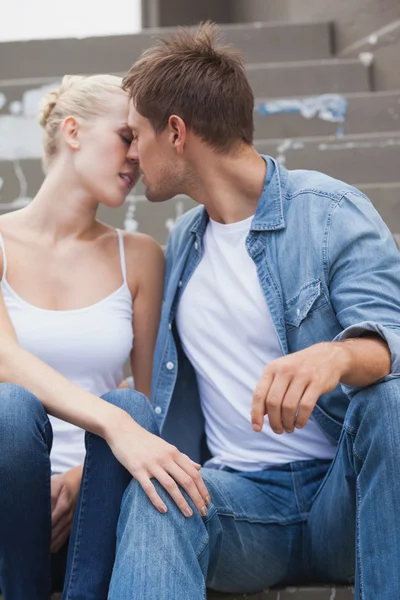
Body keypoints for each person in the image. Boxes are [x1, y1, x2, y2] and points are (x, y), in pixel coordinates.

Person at [103, 22, 400, 600]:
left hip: (347, 496)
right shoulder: (183, 242)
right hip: (241, 506)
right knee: (158, 491)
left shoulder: (330, 213)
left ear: (177, 132)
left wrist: (335, 355)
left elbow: (395, 336)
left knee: (394, 400)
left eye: (136, 135)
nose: (132, 154)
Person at [0, 74, 209, 600]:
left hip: (94, 504)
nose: (137, 157)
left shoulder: (138, 256)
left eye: (140, 142)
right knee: (9, 407)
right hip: (8, 498)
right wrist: (113, 425)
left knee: (133, 408)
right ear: (72, 131)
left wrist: (82, 473)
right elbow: (5, 360)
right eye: (124, 136)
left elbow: (149, 398)